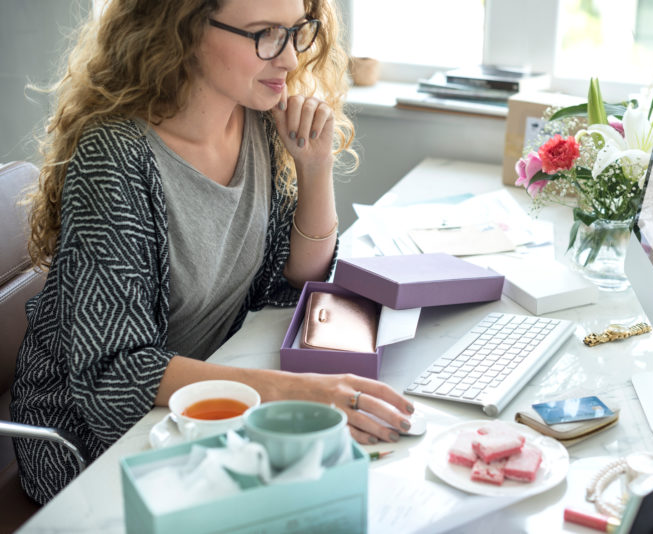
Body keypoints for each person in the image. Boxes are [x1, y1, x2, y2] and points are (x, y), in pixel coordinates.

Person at [11, 0, 413, 505]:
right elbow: (113, 373)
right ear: (182, 29)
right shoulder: (113, 158)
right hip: (91, 439)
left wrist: (315, 167)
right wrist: (296, 391)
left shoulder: (259, 119)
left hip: (210, 392)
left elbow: (285, 287)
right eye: (265, 33)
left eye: (296, 31)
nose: (289, 59)